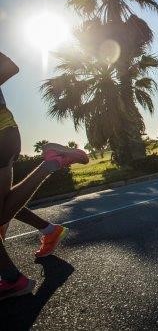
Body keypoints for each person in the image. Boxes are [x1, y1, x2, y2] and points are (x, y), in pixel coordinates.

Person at [0, 52, 89, 300]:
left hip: (2, 133)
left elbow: (9, 67)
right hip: (6, 132)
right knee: (5, 204)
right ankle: (48, 231)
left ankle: (12, 279)